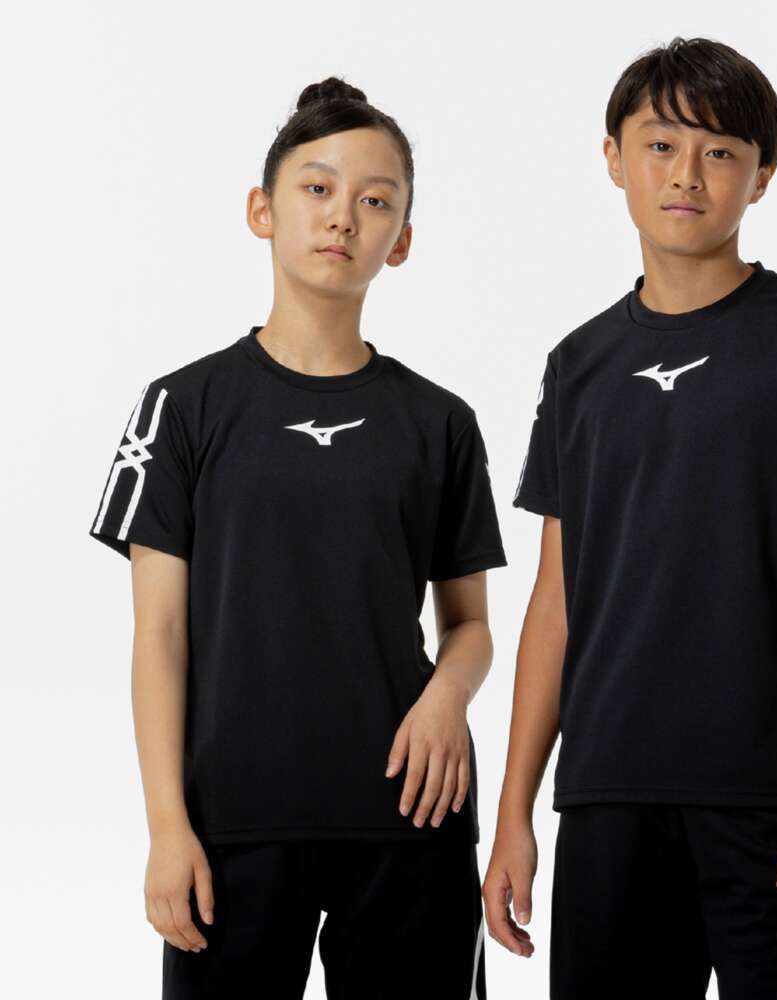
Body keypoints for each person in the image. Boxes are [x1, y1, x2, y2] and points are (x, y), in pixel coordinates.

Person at [484, 37, 777, 999]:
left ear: (761, 177)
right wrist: (514, 809)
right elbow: (556, 600)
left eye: (721, 151)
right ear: (614, 159)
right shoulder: (578, 365)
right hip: (607, 797)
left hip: (776, 804)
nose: (688, 174)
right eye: (662, 145)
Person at [89, 76, 504, 999]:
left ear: (402, 241)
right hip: (233, 825)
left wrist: (448, 697)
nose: (343, 217)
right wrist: (167, 827)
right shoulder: (182, 407)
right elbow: (159, 634)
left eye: (376, 201)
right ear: (262, 210)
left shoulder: (439, 422)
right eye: (317, 188)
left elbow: (471, 626)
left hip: (411, 817)